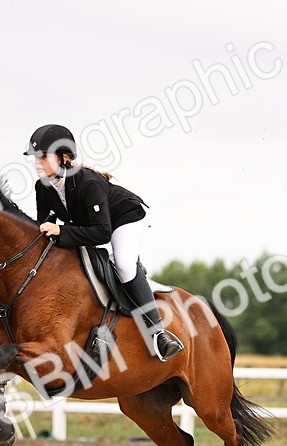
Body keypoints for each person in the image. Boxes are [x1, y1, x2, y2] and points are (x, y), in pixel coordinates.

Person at [25, 124, 183, 362]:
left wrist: (61, 230)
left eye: (44, 156)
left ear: (64, 158)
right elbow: (45, 226)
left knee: (124, 264)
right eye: (36, 157)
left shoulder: (88, 183)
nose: (38, 162)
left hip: (123, 218)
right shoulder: (42, 187)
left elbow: (101, 233)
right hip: (90, 225)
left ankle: (159, 333)